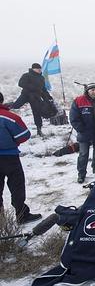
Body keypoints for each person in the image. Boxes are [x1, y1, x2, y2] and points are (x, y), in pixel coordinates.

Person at [0, 92, 42, 224]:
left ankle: (2, 222)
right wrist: (12, 141)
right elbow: (24, 135)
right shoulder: (10, 117)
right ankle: (22, 215)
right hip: (9, 157)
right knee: (16, 186)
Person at [69, 83, 95, 183]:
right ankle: (81, 174)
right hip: (84, 133)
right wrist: (81, 128)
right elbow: (73, 118)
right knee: (83, 154)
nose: (94, 92)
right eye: (92, 90)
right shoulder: (79, 101)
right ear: (87, 91)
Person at [11, 63, 47, 136]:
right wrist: (33, 88)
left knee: (37, 113)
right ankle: (4, 108)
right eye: (38, 69)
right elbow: (20, 83)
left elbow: (43, 89)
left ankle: (39, 130)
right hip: (25, 95)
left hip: (36, 97)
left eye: (40, 69)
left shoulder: (41, 78)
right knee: (16, 105)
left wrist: (47, 97)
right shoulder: (26, 75)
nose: (40, 70)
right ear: (33, 69)